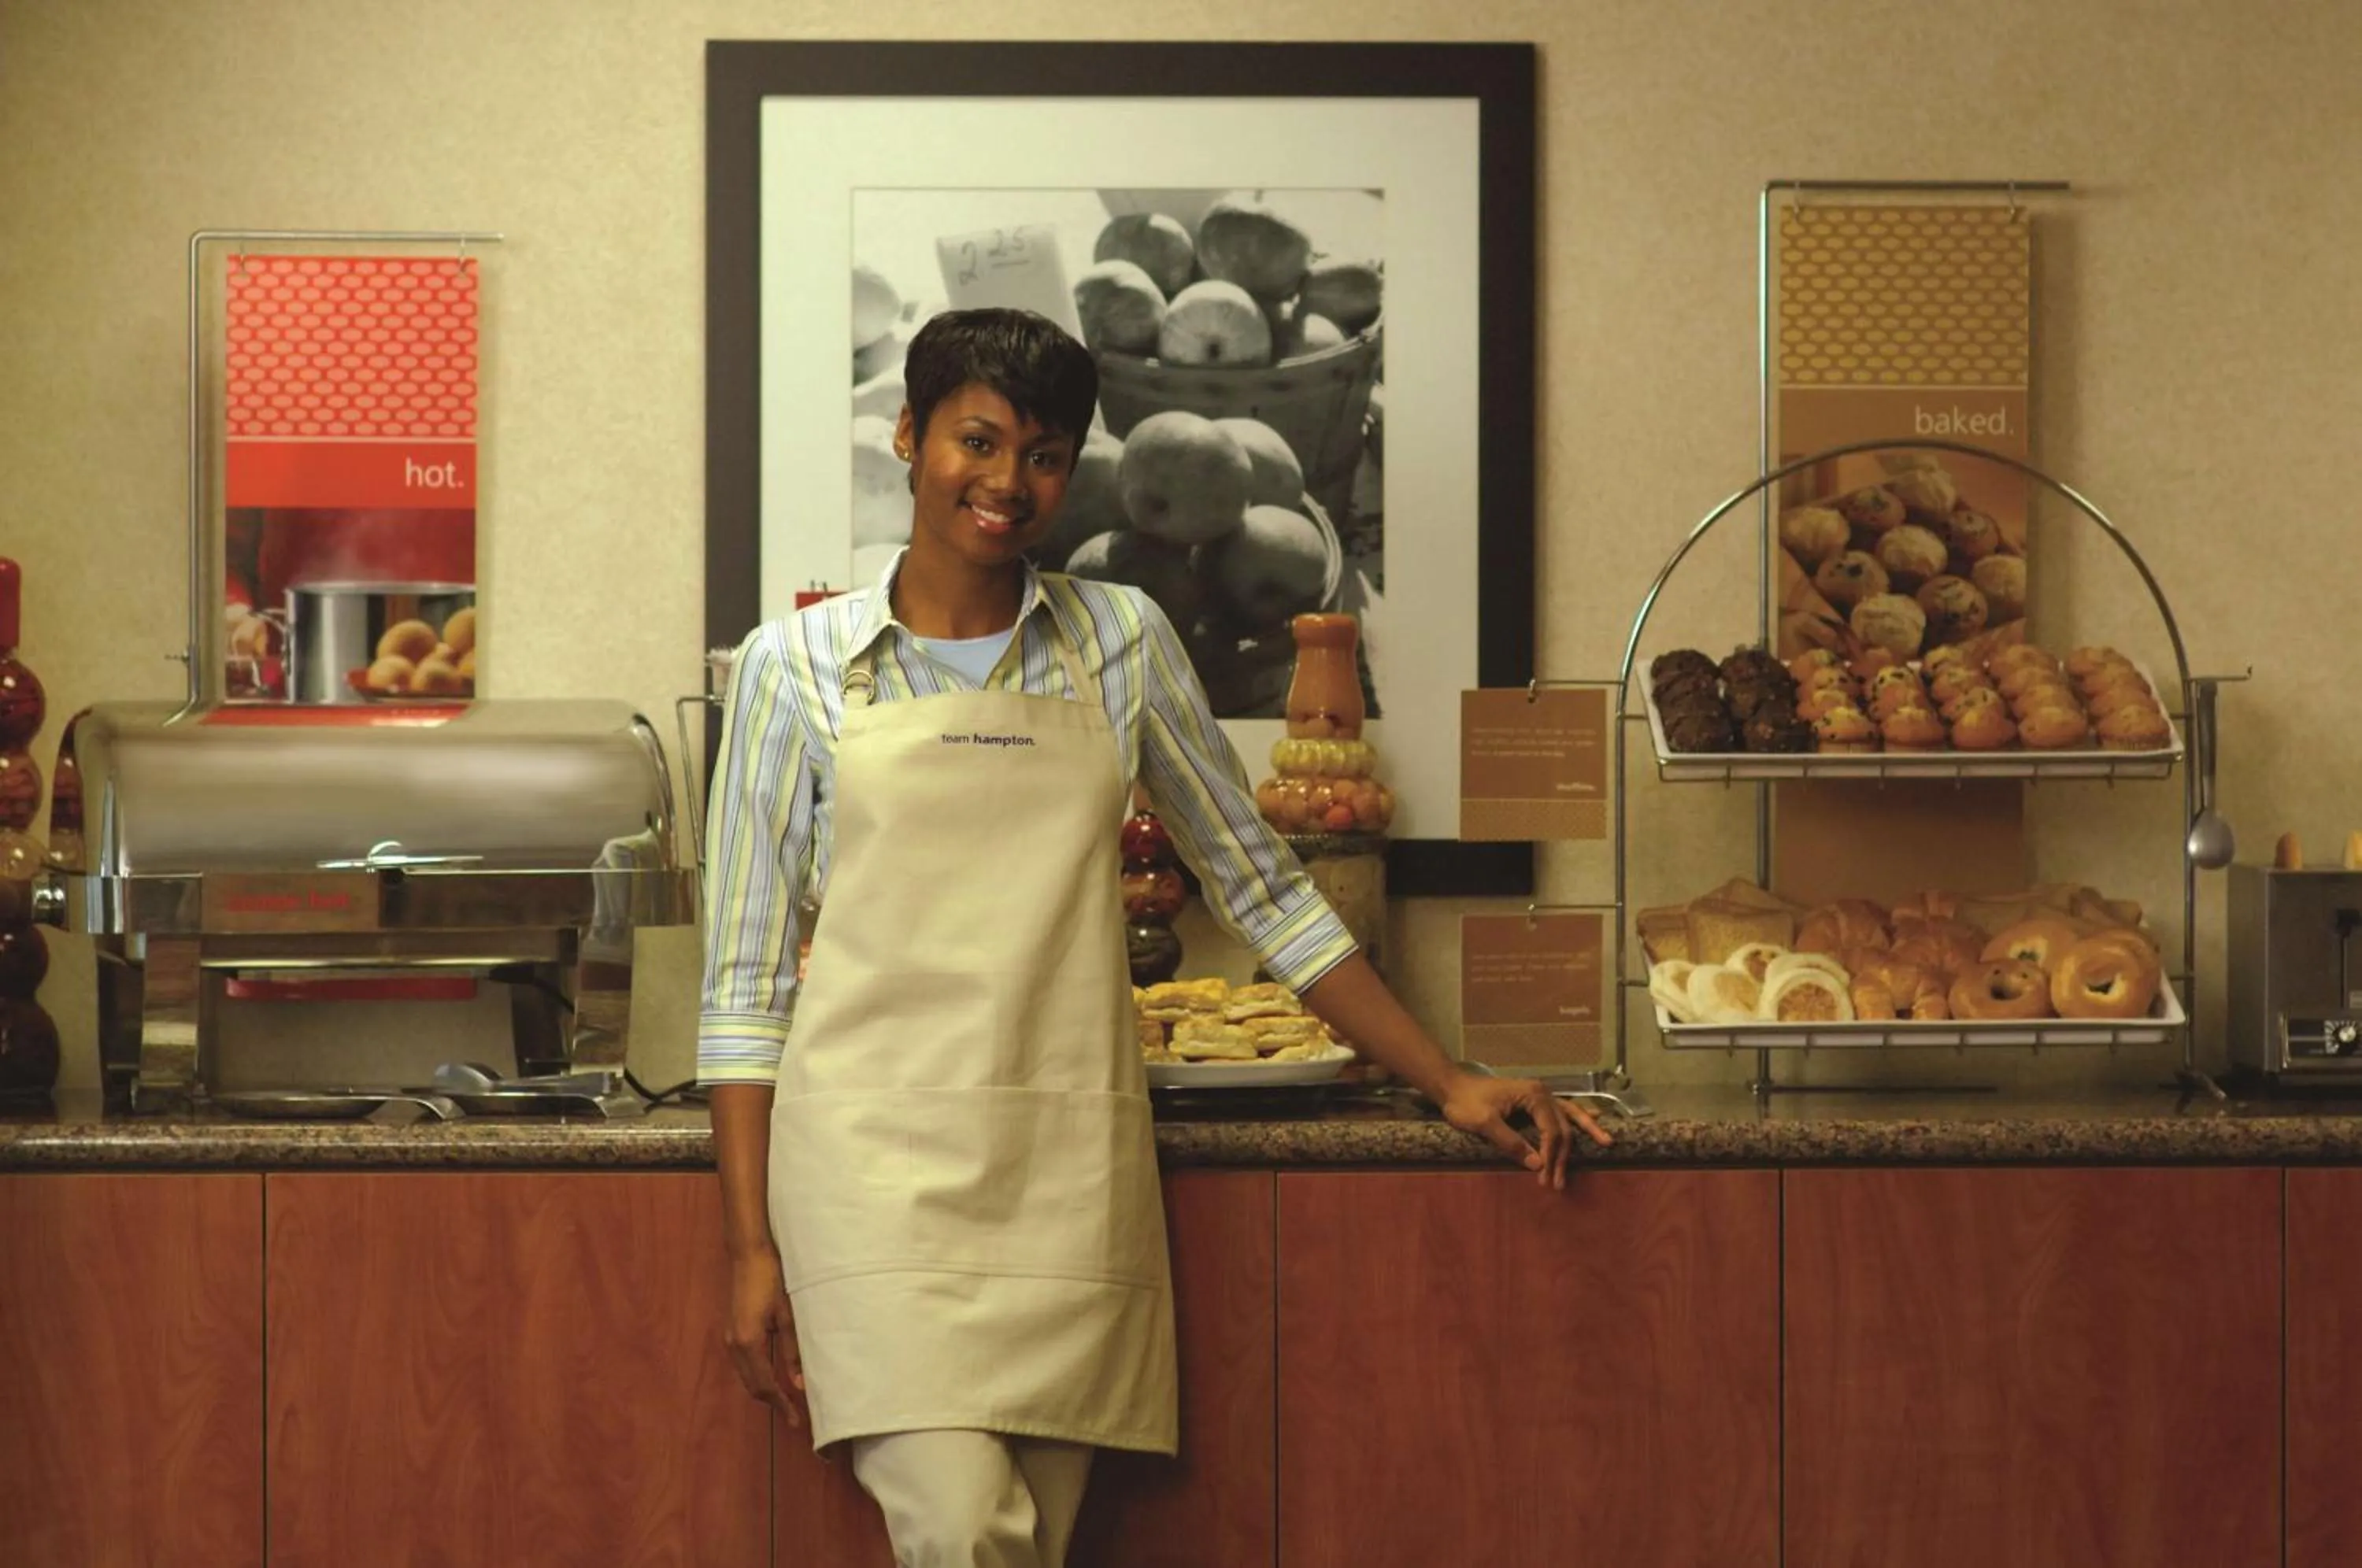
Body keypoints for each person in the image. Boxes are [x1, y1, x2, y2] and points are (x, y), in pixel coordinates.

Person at [699, 307, 1610, 1568]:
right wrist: (751, 1245)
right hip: (867, 1171)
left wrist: (1445, 1078)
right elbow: (742, 985)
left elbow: (1265, 891)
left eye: (1047, 454)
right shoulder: (789, 668)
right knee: (963, 1536)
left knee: (1037, 1542)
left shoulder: (1122, 640)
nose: (1009, 483)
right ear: (909, 437)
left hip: (1066, 1166)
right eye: (978, 441)